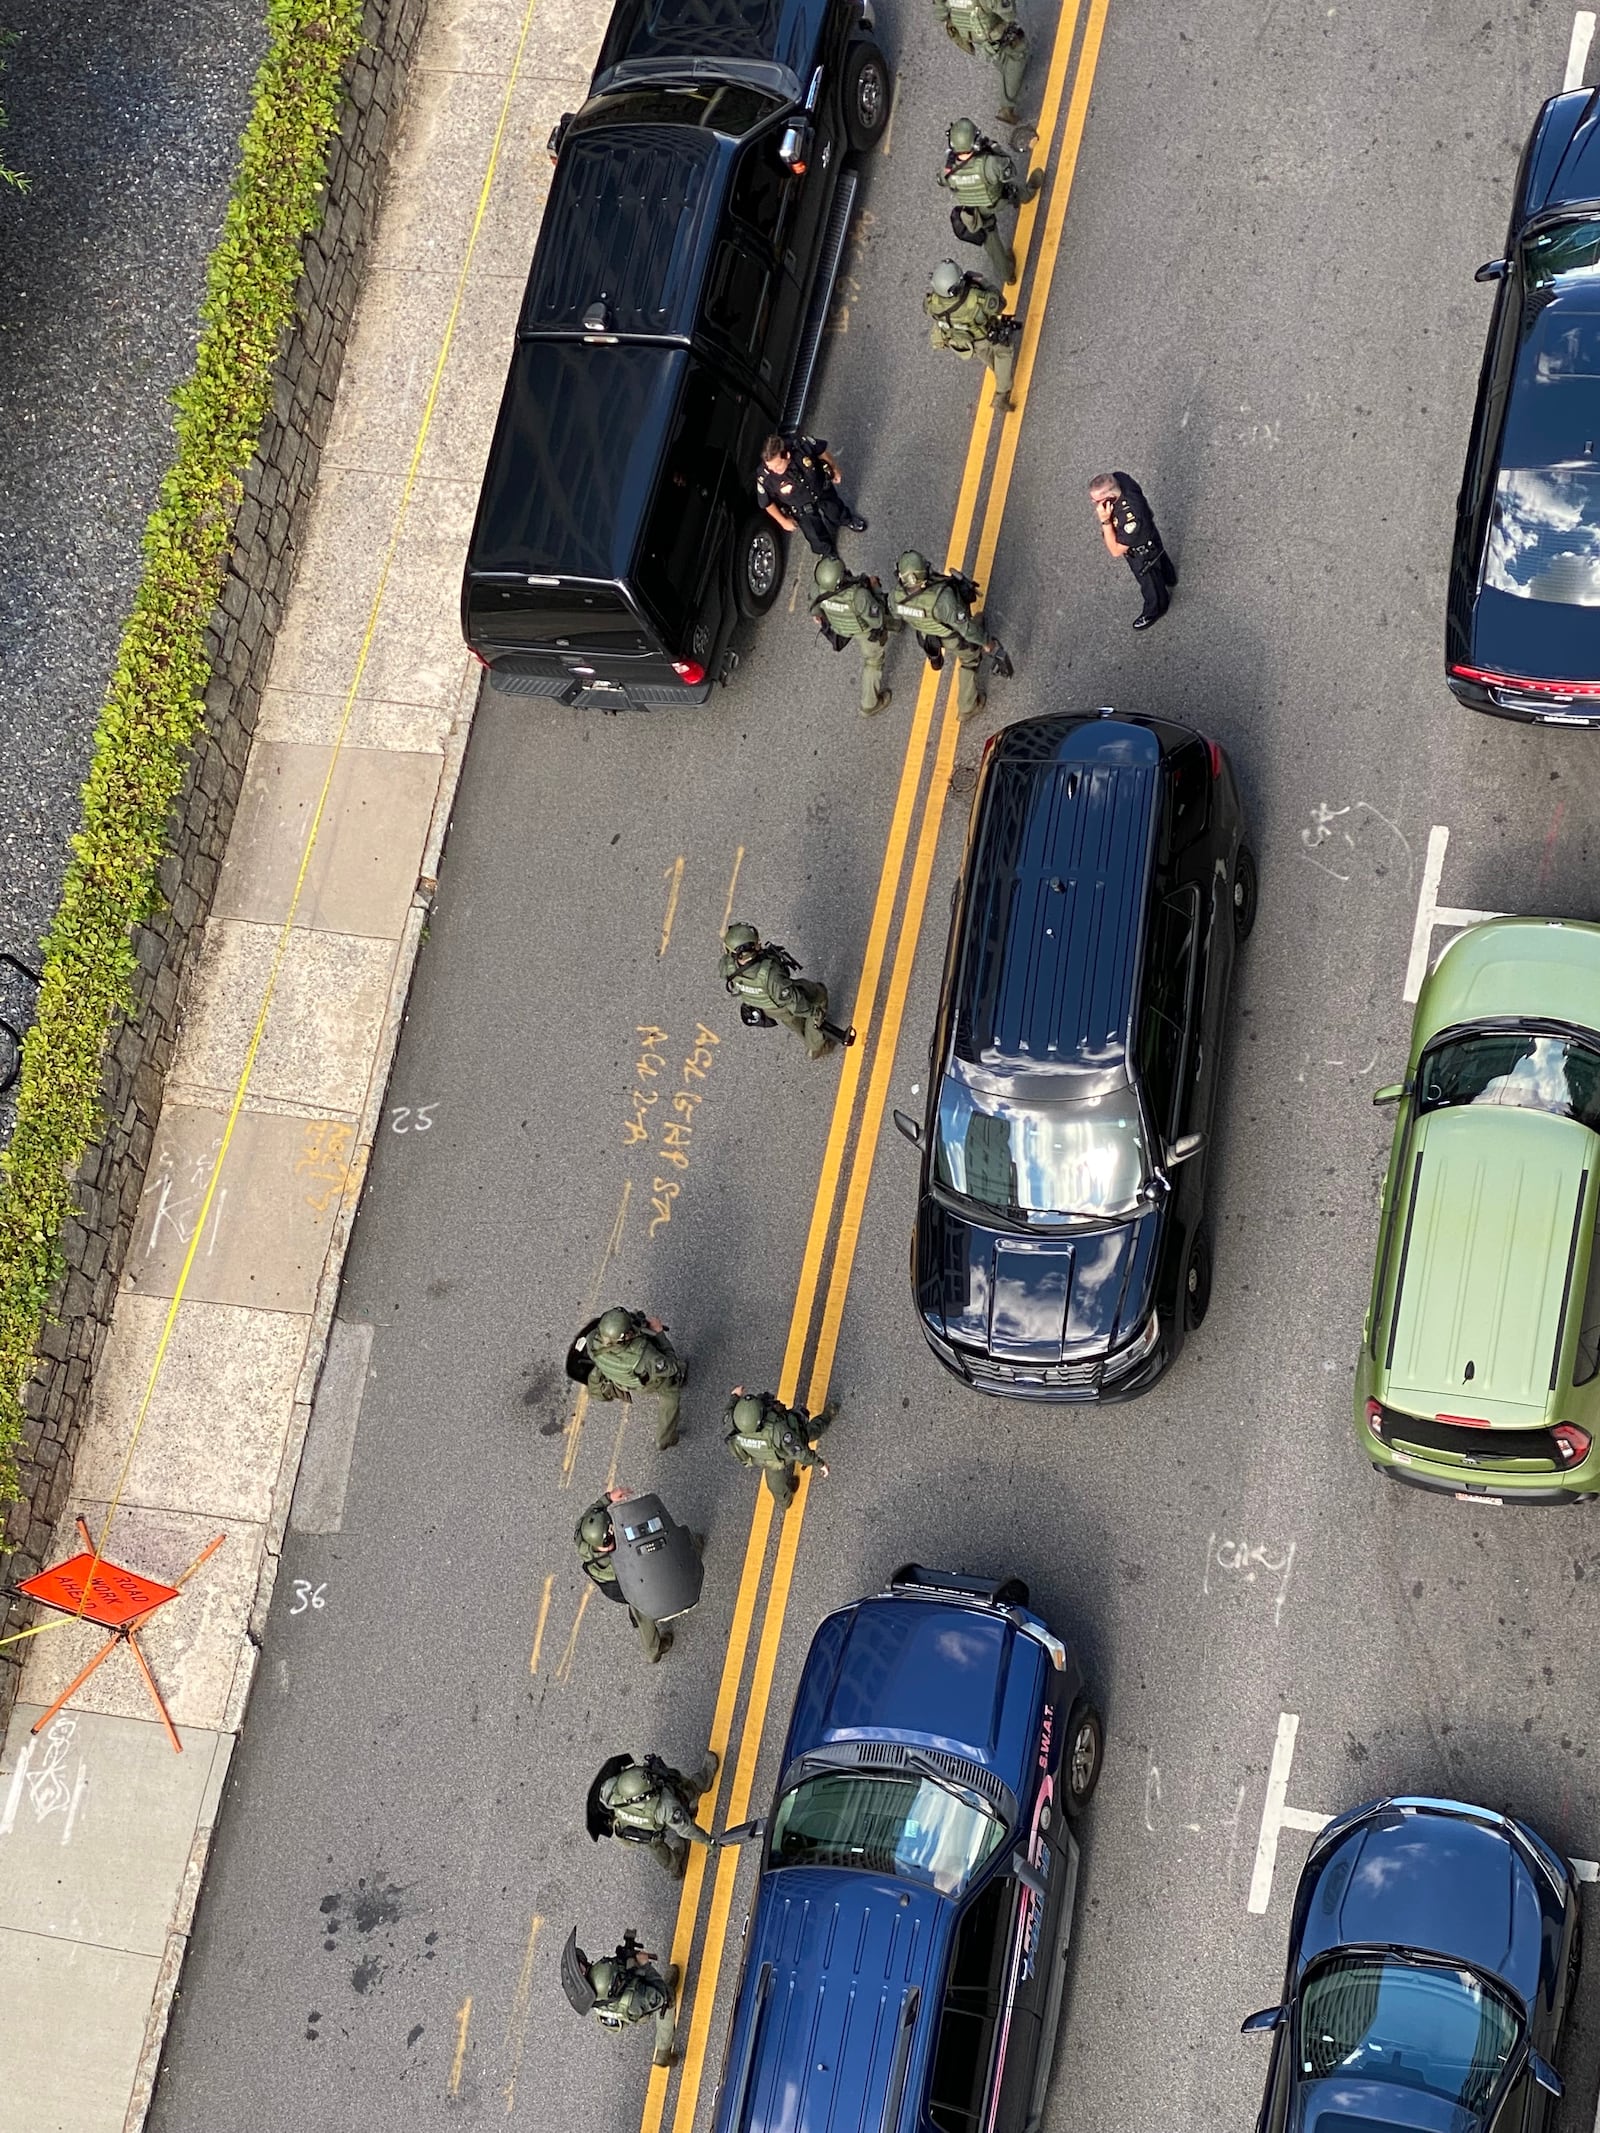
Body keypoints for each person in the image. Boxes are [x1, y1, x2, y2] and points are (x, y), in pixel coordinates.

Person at [888, 551, 998, 721]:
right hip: (951, 637)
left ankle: (936, 657)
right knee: (970, 659)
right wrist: (985, 642)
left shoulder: (896, 597)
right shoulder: (942, 599)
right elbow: (965, 628)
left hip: (925, 635)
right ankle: (967, 706)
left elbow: (895, 614)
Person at [720, 923, 855, 1059]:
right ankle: (817, 1047)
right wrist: (814, 1013)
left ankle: (807, 1034)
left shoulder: (727, 966)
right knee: (818, 998)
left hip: (766, 1007)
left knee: (793, 1022)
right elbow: (795, 1002)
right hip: (782, 1001)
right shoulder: (771, 975)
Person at [574, 1488, 678, 1663]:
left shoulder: (583, 1538)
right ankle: (653, 1650)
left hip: (608, 1584)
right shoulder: (617, 1564)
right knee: (642, 1609)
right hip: (623, 1585)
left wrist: (608, 1498)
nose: (614, 1538)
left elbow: (590, 1515)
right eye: (609, 1539)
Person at [937, 118, 1043, 288]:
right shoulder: (989, 164)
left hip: (973, 212)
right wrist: (995, 149)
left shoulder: (948, 171)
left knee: (991, 242)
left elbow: (941, 181)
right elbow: (1009, 172)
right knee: (1012, 190)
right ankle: (1028, 194)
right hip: (996, 200)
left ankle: (1008, 275)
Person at [590, 1753, 719, 1877]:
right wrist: (709, 1842)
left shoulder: (609, 1791)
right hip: (658, 1821)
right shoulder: (664, 1806)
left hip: (636, 1832)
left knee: (656, 1847)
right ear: (642, 1796)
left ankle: (675, 1870)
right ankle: (705, 1779)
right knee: (686, 1791)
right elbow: (687, 1830)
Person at [579, 1306, 685, 1449]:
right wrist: (659, 1333)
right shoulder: (643, 1354)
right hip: (649, 1383)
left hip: (622, 1380)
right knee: (670, 1395)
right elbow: (671, 1366)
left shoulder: (592, 1340)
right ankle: (664, 1438)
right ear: (626, 1336)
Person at [571, 1930, 680, 2066]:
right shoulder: (602, 1976)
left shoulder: (587, 1993)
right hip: (635, 2005)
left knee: (637, 1988)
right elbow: (659, 1997)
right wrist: (645, 1965)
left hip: (619, 2014)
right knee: (666, 2000)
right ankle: (663, 2052)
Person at [810, 555, 901, 716]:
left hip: (840, 627)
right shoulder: (858, 596)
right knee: (873, 662)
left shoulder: (818, 589)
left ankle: (897, 624)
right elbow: (877, 619)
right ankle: (869, 704)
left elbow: (815, 613)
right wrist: (876, 589)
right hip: (864, 629)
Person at [924, 262, 1021, 412]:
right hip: (986, 335)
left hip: (965, 341)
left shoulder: (932, 303)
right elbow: (1000, 304)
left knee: (987, 358)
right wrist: (982, 282)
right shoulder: (974, 298)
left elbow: (928, 310)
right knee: (1003, 353)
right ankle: (1002, 394)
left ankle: (1000, 374)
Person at [722, 1387, 837, 1511]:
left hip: (766, 1461)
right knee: (809, 1432)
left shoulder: (733, 1422)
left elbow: (729, 1410)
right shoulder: (778, 1430)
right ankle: (828, 1415)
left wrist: (735, 1396)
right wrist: (820, 1463)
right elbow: (800, 1452)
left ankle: (785, 1502)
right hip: (782, 1455)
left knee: (776, 1487)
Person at [1089, 471, 1177, 630]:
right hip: (1149, 534)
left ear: (1109, 497)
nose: (1094, 503)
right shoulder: (1121, 478)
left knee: (1149, 582)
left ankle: (1156, 609)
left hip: (1141, 552)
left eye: (1096, 501)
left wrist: (1105, 521)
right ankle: (1169, 577)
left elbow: (1115, 550)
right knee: (1161, 559)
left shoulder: (1130, 518)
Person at [756, 432, 867, 557]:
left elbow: (821, 452)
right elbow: (766, 503)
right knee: (815, 535)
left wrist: (834, 469)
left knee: (835, 509)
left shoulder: (800, 446)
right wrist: (783, 521)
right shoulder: (765, 477)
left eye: (777, 466)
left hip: (820, 488)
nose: (774, 471)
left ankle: (845, 519)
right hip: (801, 507)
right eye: (770, 468)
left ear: (786, 455)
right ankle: (828, 553)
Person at [932, 0, 1030, 124]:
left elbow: (940, 15)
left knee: (996, 52)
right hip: (991, 32)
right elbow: (1009, 14)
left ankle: (1005, 67)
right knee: (1019, 51)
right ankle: (1007, 109)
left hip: (969, 34)